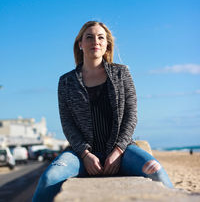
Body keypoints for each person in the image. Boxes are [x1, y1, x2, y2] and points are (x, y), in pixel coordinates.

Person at [33, 21, 173, 202]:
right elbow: (67, 123)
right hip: (81, 154)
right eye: (89, 37)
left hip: (122, 151)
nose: (95, 41)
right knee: (48, 179)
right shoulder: (66, 81)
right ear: (80, 44)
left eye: (101, 37)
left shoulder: (121, 73)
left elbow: (131, 116)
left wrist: (118, 151)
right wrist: (85, 154)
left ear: (107, 44)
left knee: (157, 172)